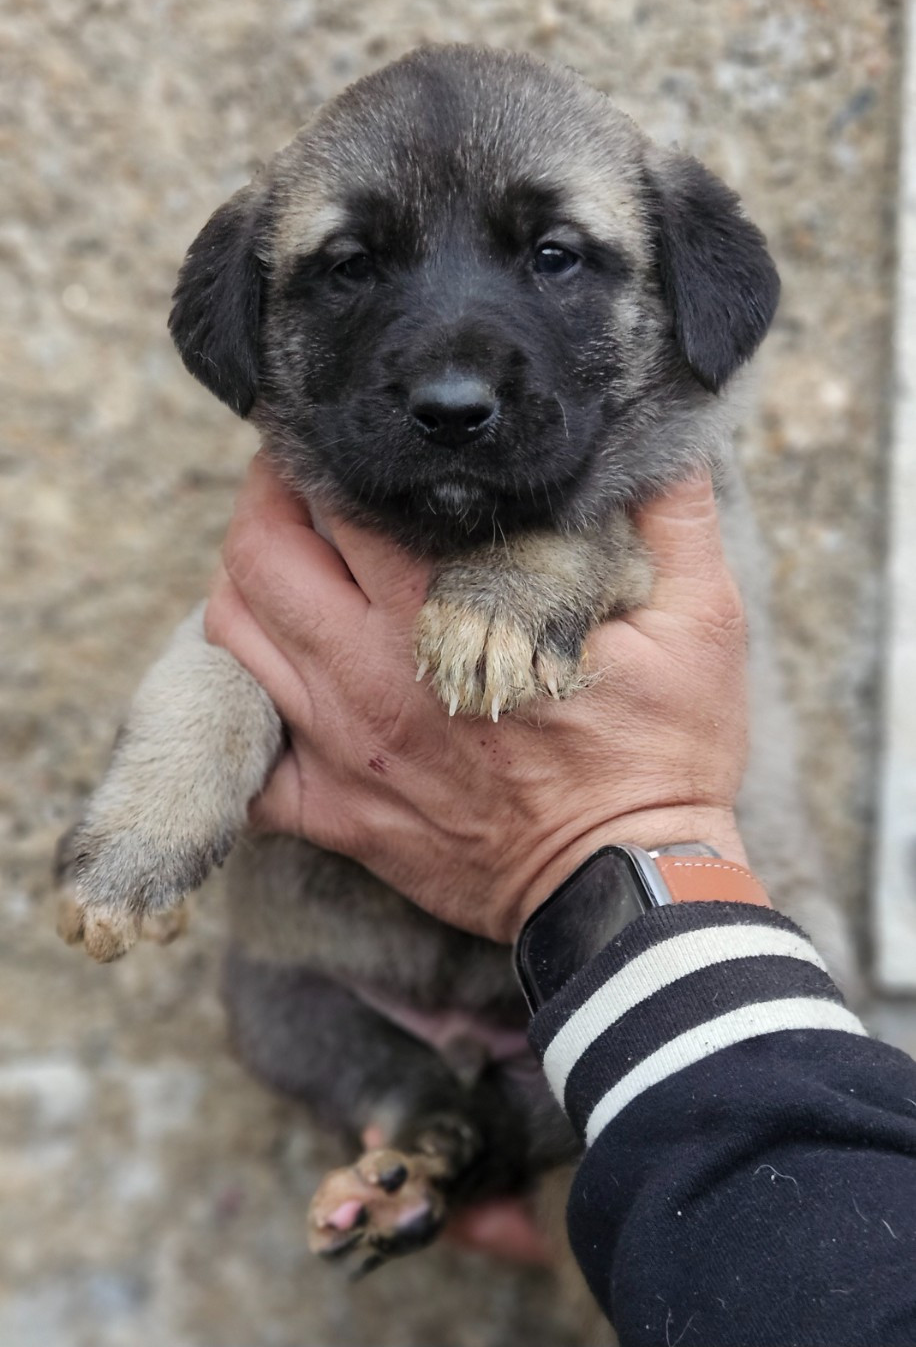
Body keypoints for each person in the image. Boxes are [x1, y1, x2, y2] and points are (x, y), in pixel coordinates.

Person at [205, 457, 916, 1347]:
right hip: (643, 1101)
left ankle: (450, 1150)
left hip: (636, 1087)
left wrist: (603, 839)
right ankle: (445, 1144)